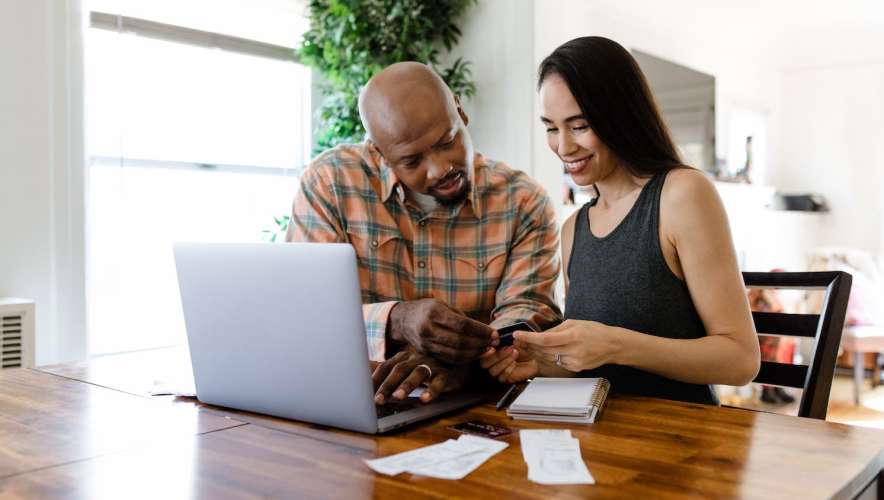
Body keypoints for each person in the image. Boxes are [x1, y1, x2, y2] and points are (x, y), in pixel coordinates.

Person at [480, 37, 760, 405]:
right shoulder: (573, 229)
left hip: (683, 439)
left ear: (621, 115)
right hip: (603, 440)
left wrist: (616, 344)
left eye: (579, 126)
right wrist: (542, 363)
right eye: (551, 127)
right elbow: (599, 367)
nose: (563, 147)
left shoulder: (682, 195)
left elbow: (740, 360)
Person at [287, 62, 562, 405]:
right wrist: (398, 319)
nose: (441, 168)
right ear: (379, 153)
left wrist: (460, 360)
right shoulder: (329, 184)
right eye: (412, 160)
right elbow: (306, 312)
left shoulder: (524, 201)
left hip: (473, 403)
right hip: (353, 400)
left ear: (461, 113)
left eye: (448, 141)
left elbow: (528, 316)